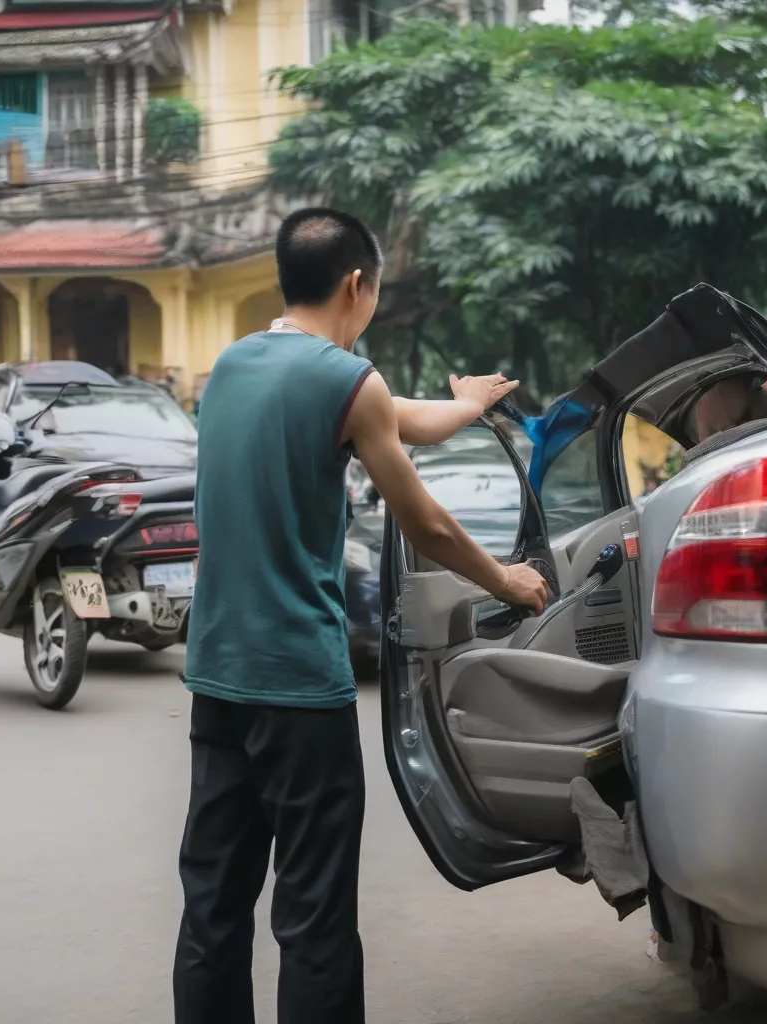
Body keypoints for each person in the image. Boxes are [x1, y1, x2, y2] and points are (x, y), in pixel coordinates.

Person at [172, 207, 549, 1024]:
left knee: (213, 906)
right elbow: (428, 524)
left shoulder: (232, 367)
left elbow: (402, 417)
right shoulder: (347, 381)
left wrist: (466, 404)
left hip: (218, 678)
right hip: (300, 690)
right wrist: (507, 582)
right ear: (356, 285)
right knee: (314, 917)